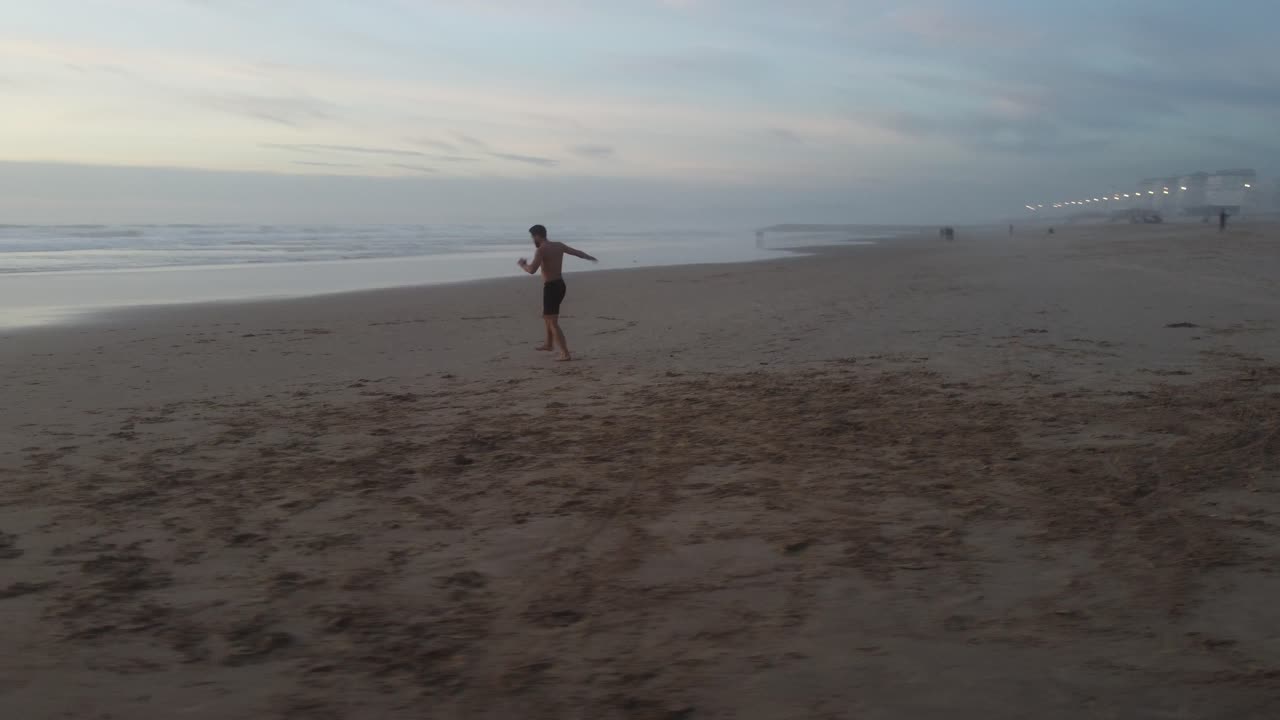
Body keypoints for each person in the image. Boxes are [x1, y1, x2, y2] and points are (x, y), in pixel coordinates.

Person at [517, 224, 597, 361]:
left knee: (552, 321)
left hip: (551, 287)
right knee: (547, 316)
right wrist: (589, 257)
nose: (532, 239)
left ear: (537, 235)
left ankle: (565, 353)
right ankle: (548, 344)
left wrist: (523, 265)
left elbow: (531, 270)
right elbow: (577, 252)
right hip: (560, 285)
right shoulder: (558, 245)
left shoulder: (541, 250)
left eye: (532, 237)